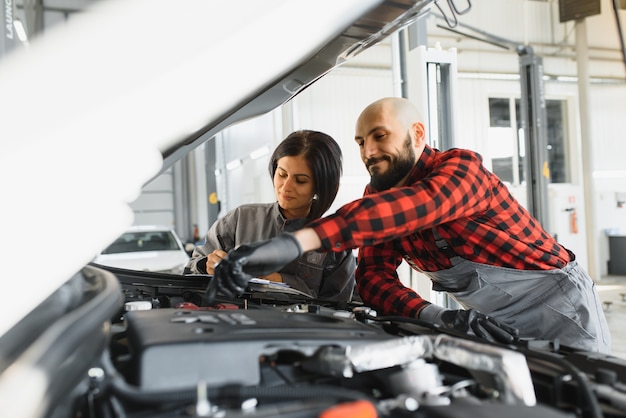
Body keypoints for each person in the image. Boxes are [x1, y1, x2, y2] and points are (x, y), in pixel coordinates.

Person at [207, 97, 611, 353]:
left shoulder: (461, 170)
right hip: (488, 322)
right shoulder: (376, 197)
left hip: (560, 309)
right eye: (361, 142)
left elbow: (418, 207)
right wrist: (438, 316)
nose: (368, 150)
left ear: (416, 134)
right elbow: (373, 279)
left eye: (379, 136)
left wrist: (297, 242)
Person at [187, 130, 356, 302]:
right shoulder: (240, 219)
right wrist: (206, 264)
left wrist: (282, 281)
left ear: (321, 186)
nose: (286, 187)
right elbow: (192, 266)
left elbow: (337, 308)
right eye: (282, 174)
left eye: (301, 180)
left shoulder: (336, 243)